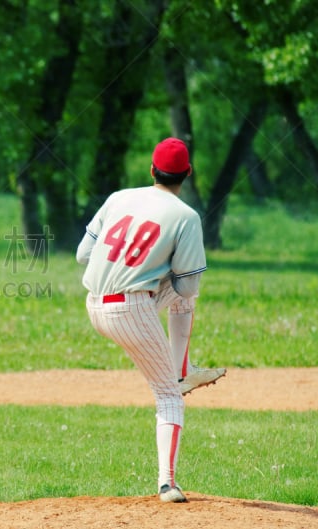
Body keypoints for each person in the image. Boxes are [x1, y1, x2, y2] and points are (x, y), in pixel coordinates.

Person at [75, 137, 226, 503]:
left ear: (151, 170)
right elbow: (188, 285)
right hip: (131, 311)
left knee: (178, 297)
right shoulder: (187, 217)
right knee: (169, 396)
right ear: (187, 174)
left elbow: (83, 255)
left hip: (95, 303)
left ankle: (182, 366)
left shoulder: (118, 197)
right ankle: (167, 484)